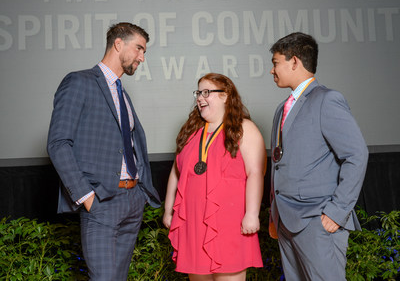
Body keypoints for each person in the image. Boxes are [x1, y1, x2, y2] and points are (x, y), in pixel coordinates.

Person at [47, 22, 161, 280]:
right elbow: (58, 143)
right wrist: (86, 196)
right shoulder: (79, 82)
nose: (142, 57)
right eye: (139, 49)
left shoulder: (122, 93)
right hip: (102, 201)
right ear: (118, 44)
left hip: (132, 201)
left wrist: (141, 193)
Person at [268, 32, 369, 281]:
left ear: (294, 61)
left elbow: (356, 155)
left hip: (317, 221)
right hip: (286, 221)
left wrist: (337, 212)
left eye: (275, 62)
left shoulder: (327, 100)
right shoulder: (283, 107)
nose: (272, 70)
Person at [163, 73, 265, 281]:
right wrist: (168, 210)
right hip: (194, 222)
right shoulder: (192, 132)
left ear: (226, 96)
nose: (200, 98)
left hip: (231, 222)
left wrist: (252, 213)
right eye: (198, 92)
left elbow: (256, 172)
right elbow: (176, 173)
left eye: (207, 92)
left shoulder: (244, 129)